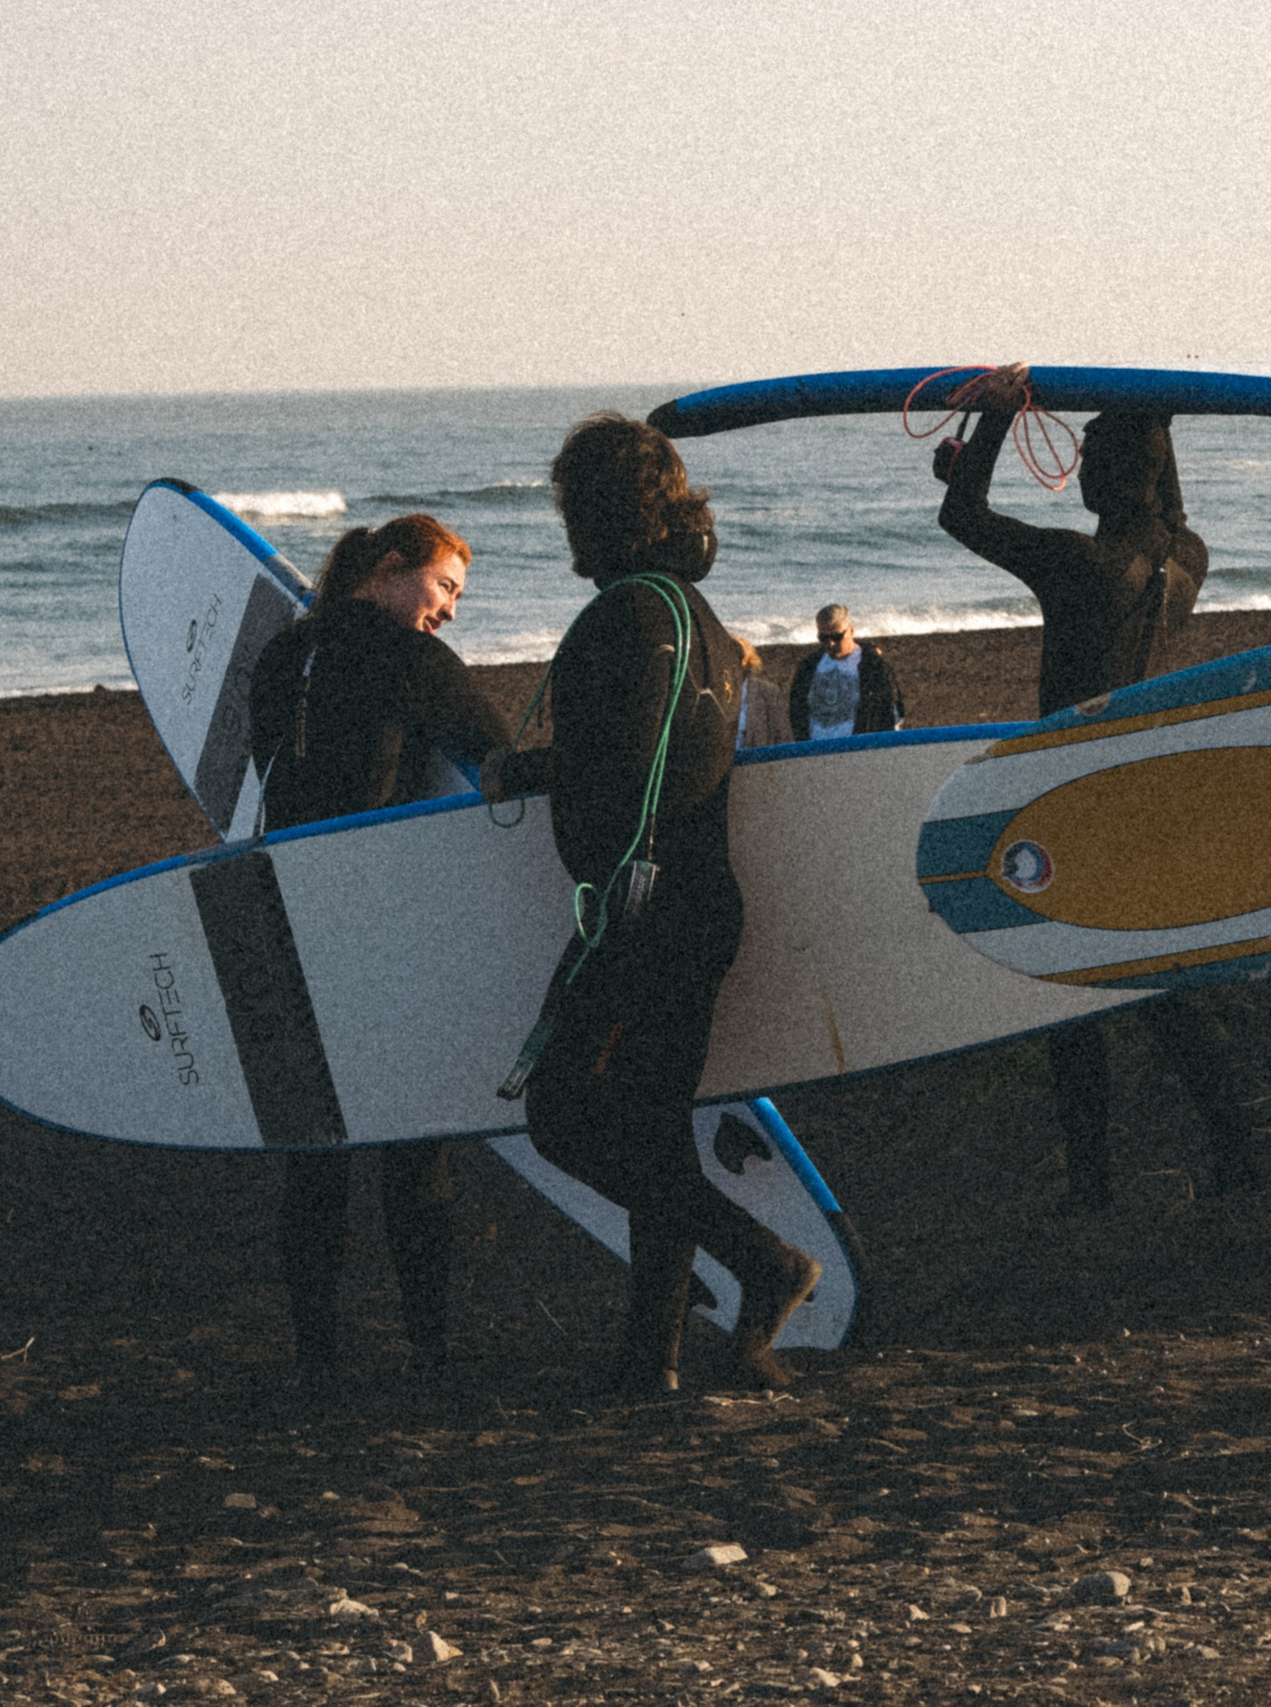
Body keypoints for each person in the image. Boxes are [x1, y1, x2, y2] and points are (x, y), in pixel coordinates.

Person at [492, 413, 821, 1392]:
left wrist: (540, 782)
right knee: (651, 1128)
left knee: (561, 1116)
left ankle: (764, 1261)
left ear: (590, 512)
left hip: (647, 912)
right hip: (699, 904)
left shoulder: (626, 616)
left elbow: (628, 777)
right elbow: (671, 760)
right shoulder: (707, 627)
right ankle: (652, 1359)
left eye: (566, 506)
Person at [938, 366, 1262, 1212]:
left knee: (1068, 989)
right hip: (1144, 786)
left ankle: (1090, 1183)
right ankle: (1236, 1152)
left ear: (1111, 476)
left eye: (1087, 458)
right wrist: (1153, 408)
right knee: (1161, 983)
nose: (1076, 471)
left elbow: (960, 518)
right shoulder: (1185, 559)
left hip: (1071, 793)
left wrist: (995, 423)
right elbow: (1173, 511)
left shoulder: (1076, 563)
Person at [245, 512, 512, 1381]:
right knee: (413, 1144)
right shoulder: (413, 659)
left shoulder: (285, 656)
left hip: (286, 913)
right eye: (444, 587)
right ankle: (430, 1346)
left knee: (316, 1153)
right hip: (378, 922)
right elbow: (494, 753)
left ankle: (317, 1353)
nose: (450, 611)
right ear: (392, 568)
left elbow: (269, 768)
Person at [788, 604, 905, 739]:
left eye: (837, 637)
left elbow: (893, 713)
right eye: (824, 638)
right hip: (815, 751)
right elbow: (796, 712)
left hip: (858, 750)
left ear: (851, 631)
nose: (831, 643)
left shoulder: (874, 667)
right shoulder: (808, 667)